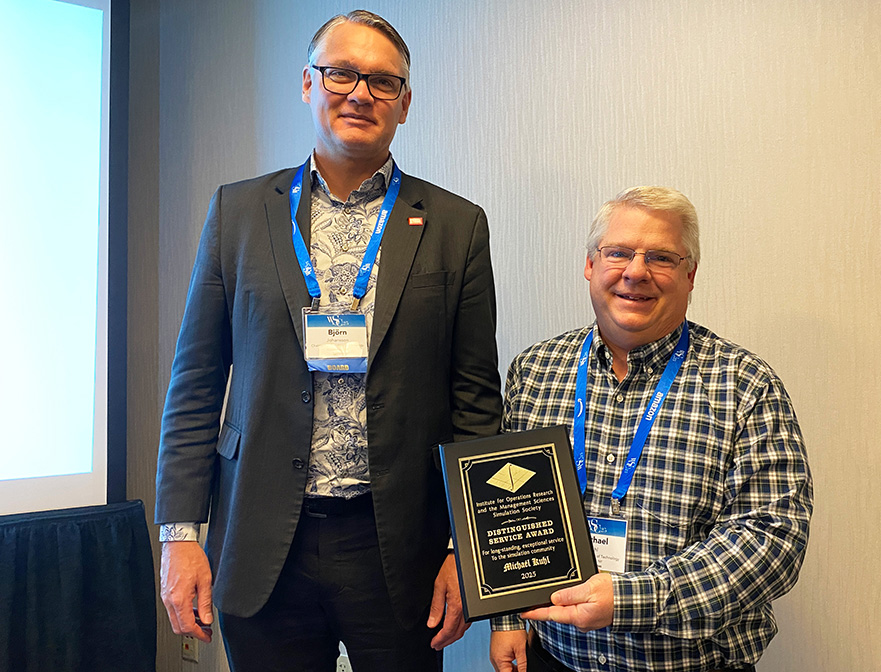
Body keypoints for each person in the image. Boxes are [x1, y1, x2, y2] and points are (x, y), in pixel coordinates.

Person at [154, 10, 502, 672]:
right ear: (309, 84)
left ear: (406, 102)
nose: (360, 92)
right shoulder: (239, 213)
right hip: (260, 541)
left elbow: (476, 404)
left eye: (382, 80)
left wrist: (468, 552)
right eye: (341, 72)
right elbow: (195, 383)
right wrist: (179, 535)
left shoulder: (457, 225)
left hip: (397, 545)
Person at [489, 187, 812, 672]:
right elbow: (506, 512)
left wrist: (630, 599)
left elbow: (773, 539)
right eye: (618, 252)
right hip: (554, 658)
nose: (635, 272)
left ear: (690, 275)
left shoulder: (746, 386)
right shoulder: (535, 370)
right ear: (590, 265)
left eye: (660, 257)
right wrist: (507, 617)